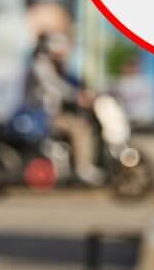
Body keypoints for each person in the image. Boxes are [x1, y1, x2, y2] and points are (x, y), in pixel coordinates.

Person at [24, 31, 102, 184]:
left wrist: (86, 91)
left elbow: (70, 82)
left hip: (49, 114)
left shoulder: (55, 67)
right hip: (43, 116)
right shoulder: (42, 66)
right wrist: (77, 96)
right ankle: (84, 168)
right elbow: (56, 88)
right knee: (81, 129)